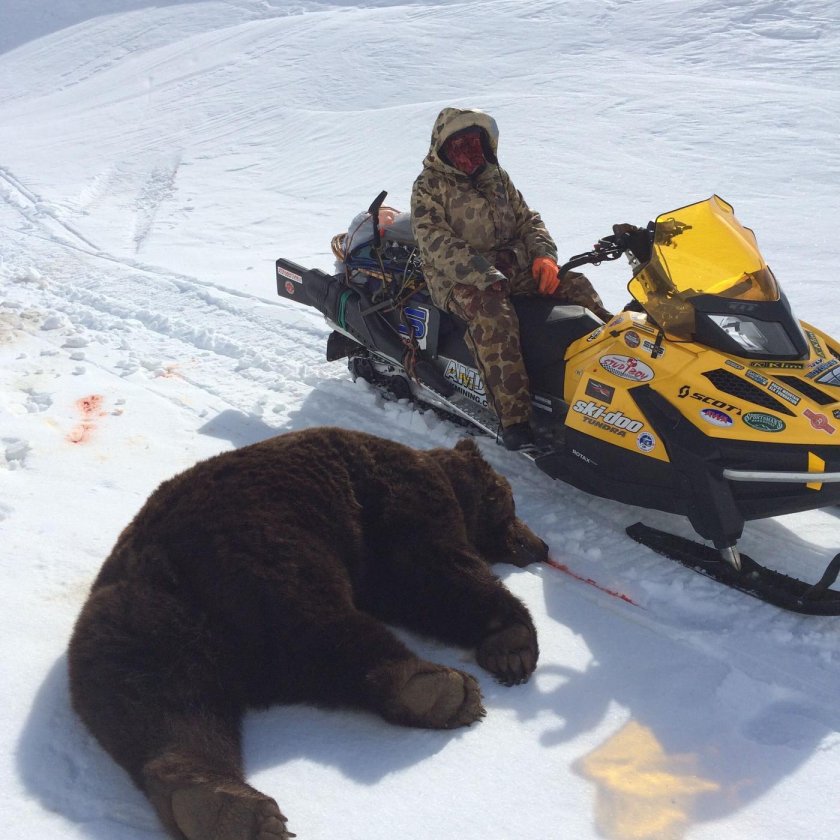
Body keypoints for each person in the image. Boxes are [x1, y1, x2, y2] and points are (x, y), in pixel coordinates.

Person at [411, 107, 612, 450]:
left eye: (474, 142)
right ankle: (514, 418)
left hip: (513, 266)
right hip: (457, 277)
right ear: (442, 146)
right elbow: (435, 242)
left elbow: (528, 221)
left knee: (575, 283)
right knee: (494, 316)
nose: (468, 150)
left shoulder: (497, 178)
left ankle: (616, 365)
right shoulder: (429, 186)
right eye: (459, 143)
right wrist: (482, 274)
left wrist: (544, 256)